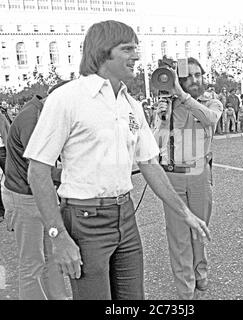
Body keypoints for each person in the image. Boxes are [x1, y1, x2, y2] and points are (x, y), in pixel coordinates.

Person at [23, 20, 210, 300]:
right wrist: (58, 236)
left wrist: (185, 213)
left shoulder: (130, 104)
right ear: (102, 52)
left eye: (136, 48)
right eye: (127, 49)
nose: (136, 56)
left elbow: (149, 164)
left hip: (125, 216)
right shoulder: (66, 99)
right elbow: (37, 172)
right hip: (84, 220)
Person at [153, 57, 222, 299]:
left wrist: (182, 96)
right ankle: (186, 288)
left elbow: (210, 120)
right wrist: (160, 119)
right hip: (173, 176)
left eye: (199, 74)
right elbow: (154, 144)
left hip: (200, 175)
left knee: (199, 230)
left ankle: (200, 271)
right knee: (178, 235)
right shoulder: (167, 105)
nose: (196, 79)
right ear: (179, 79)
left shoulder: (211, 103)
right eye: (189, 75)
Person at [1, 81, 70, 300]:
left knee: (53, 256)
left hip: (37, 195)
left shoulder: (41, 112)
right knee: (32, 263)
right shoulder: (32, 119)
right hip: (24, 197)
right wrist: (72, 177)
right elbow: (39, 170)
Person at [0, 111, 10, 223]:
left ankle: (12, 211)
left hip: (2, 150)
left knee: (11, 179)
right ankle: (1, 211)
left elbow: (8, 130)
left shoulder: (1, 116)